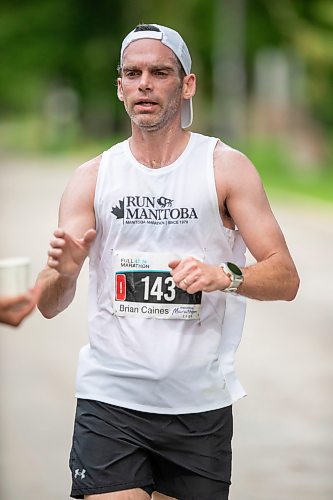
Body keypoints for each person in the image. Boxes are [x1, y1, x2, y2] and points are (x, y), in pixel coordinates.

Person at [37, 23, 299, 500]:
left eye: (159, 72)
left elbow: (285, 276)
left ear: (187, 84)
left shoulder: (224, 168)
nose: (144, 84)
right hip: (110, 398)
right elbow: (49, 304)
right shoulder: (92, 178)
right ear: (119, 88)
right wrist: (64, 271)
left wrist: (225, 276)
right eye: (133, 73)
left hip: (198, 406)